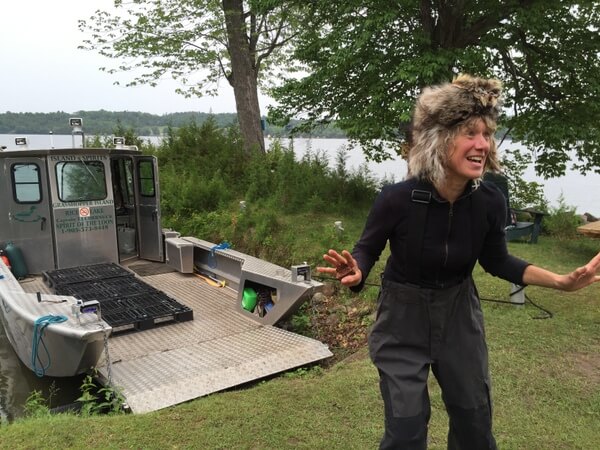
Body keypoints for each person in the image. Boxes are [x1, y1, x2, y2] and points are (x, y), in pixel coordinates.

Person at [317, 74, 600, 450]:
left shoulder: (489, 203)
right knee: (405, 431)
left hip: (459, 318)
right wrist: (357, 271)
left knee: (474, 425)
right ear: (440, 139)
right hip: (402, 320)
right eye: (470, 133)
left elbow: (499, 261)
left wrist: (562, 282)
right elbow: (367, 249)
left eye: (486, 135)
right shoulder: (397, 200)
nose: (482, 144)